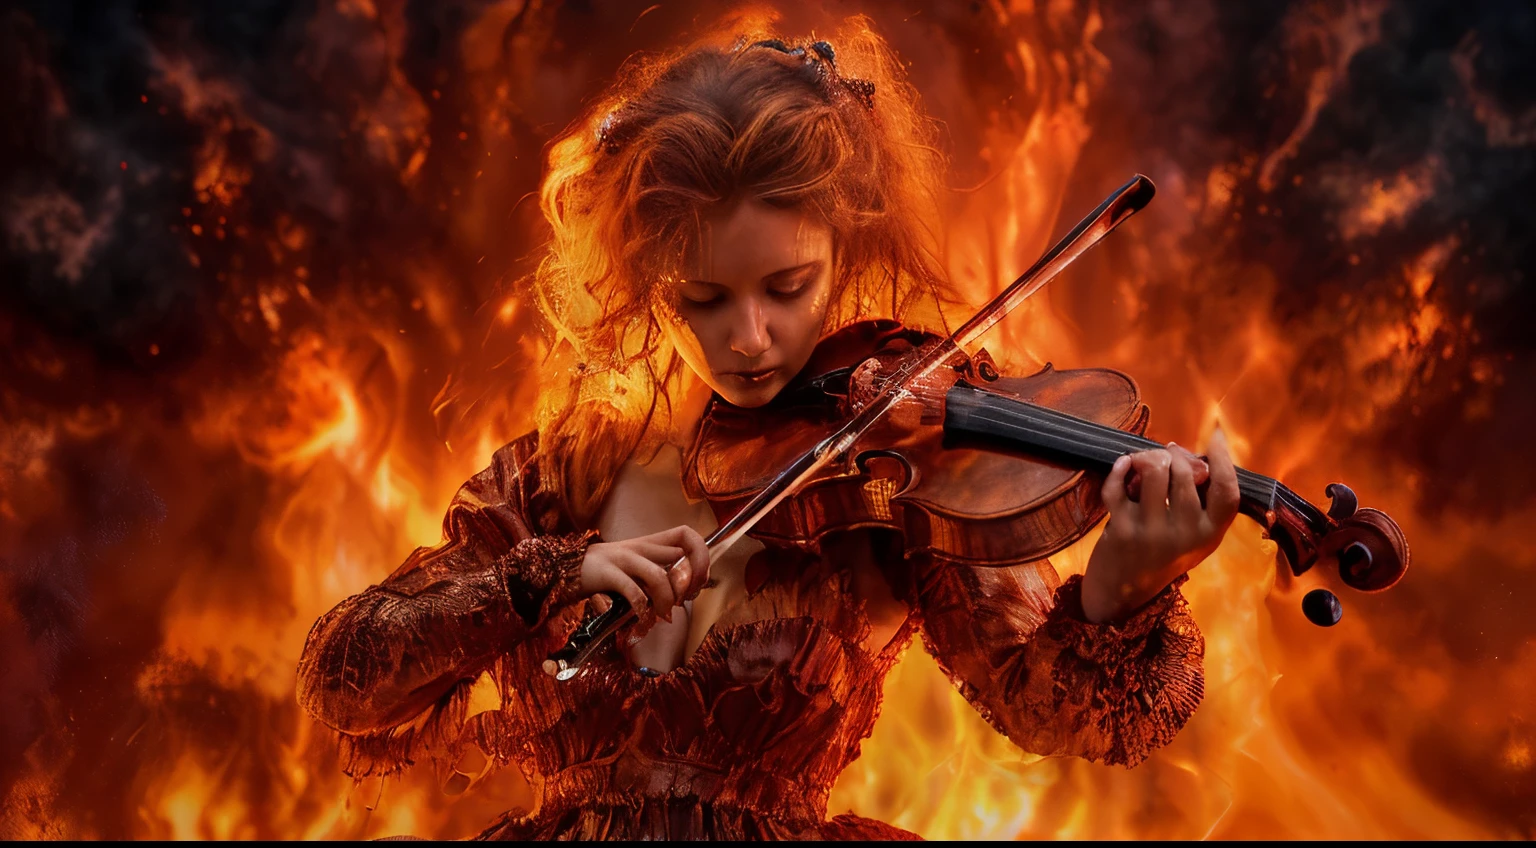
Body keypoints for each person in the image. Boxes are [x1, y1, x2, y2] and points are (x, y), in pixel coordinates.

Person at [295, 22, 1239, 841]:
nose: (750, 340)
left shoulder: (891, 468)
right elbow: (343, 677)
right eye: (702, 299)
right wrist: (547, 573)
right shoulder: (558, 480)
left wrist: (1125, 586)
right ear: (641, 283)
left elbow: (1052, 710)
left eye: (788, 289)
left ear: (844, 248)